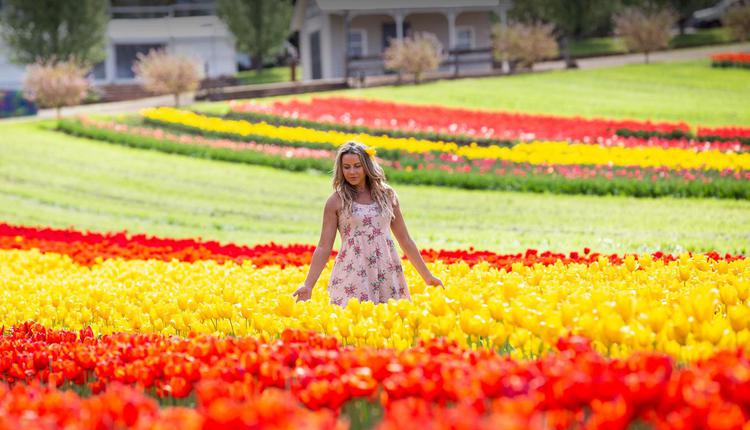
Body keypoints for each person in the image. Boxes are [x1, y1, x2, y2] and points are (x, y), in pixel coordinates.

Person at [293, 141, 443, 306]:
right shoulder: (336, 201)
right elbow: (323, 247)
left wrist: (427, 276)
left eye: (357, 166)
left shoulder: (387, 195)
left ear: (367, 166)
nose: (352, 172)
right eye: (346, 167)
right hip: (353, 271)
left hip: (386, 269)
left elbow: (405, 240)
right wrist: (308, 285)